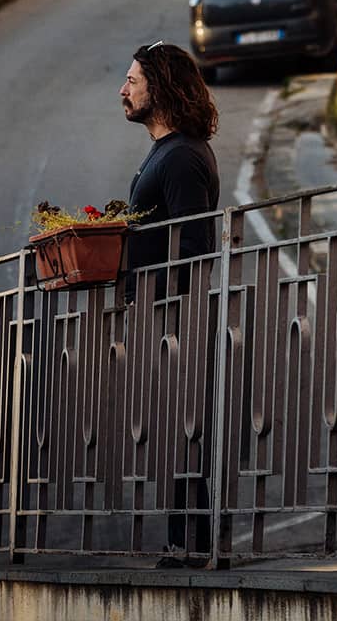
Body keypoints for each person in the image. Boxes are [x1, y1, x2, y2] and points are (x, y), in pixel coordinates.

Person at [119, 40, 220, 567]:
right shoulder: (166, 152)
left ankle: (193, 546)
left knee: (186, 431)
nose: (123, 90)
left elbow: (197, 245)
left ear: (159, 87)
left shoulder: (181, 157)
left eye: (133, 81)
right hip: (164, 316)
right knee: (174, 434)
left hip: (179, 317)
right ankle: (183, 543)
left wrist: (170, 311)